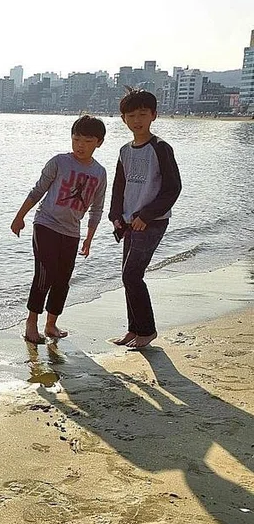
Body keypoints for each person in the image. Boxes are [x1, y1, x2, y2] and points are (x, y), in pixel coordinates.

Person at [11, 115, 108, 344]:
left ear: (99, 143)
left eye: (87, 140)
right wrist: (19, 217)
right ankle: (31, 322)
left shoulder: (100, 173)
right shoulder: (59, 162)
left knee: (63, 279)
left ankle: (51, 324)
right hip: (46, 224)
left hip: (72, 231)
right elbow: (38, 191)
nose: (80, 145)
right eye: (76, 139)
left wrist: (89, 238)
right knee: (45, 274)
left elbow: (97, 208)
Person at [108, 89, 182, 349]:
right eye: (131, 115)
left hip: (152, 221)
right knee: (127, 274)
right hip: (129, 221)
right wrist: (115, 215)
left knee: (132, 274)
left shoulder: (160, 148)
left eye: (142, 114)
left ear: (153, 116)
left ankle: (147, 331)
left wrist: (146, 215)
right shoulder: (125, 151)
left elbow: (173, 188)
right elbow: (119, 186)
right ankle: (134, 329)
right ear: (123, 119)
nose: (137, 120)